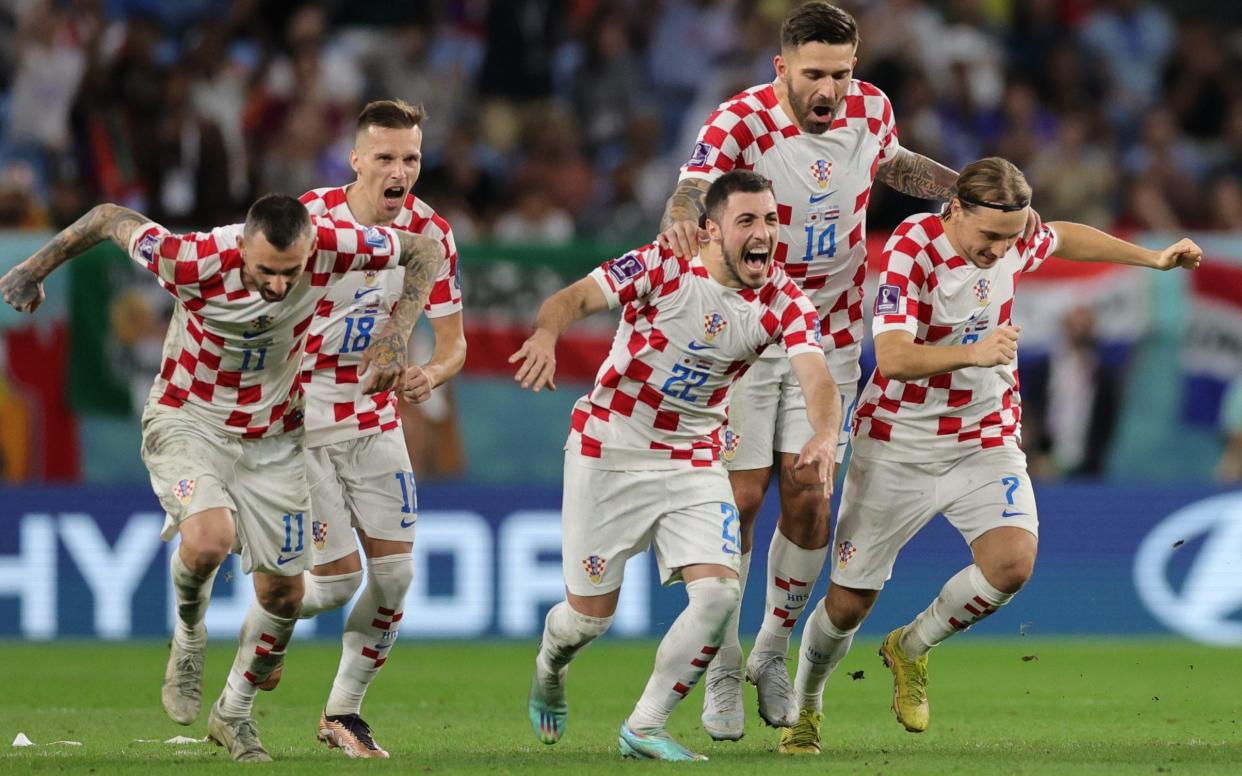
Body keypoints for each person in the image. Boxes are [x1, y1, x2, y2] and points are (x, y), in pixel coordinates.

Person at [0, 194, 444, 762]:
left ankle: (232, 717)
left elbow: (424, 251)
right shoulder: (191, 259)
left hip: (277, 436)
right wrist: (32, 269)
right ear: (243, 250)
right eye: (266, 272)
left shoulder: (333, 248)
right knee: (210, 539)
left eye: (292, 273)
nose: (281, 287)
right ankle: (189, 637)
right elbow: (110, 218)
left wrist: (397, 329)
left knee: (283, 593)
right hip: (189, 421)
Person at [783, 157, 1202, 754]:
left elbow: (1063, 236)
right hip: (897, 443)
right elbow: (895, 356)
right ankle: (807, 707)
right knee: (848, 604)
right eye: (989, 238)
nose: (1000, 250)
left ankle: (911, 646)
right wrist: (975, 353)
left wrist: (1153, 259)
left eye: (1010, 239)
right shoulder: (914, 247)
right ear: (954, 209)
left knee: (1012, 564)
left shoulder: (1011, 237)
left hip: (984, 436)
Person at [658, 1, 966, 739]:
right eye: (814, 75)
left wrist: (965, 189)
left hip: (826, 340)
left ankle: (770, 650)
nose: (829, 89)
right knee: (736, 504)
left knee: (809, 495)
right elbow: (693, 188)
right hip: (742, 340)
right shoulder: (742, 123)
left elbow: (893, 163)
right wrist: (678, 216)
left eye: (841, 72)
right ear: (782, 69)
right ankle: (724, 666)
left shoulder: (870, 108)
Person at [512, 170, 841, 761]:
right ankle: (550, 663)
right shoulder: (661, 266)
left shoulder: (783, 300)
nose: (764, 233)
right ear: (710, 231)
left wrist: (823, 433)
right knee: (587, 620)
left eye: (770, 220)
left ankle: (644, 726)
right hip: (610, 448)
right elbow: (573, 299)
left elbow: (816, 375)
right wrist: (544, 335)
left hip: (692, 456)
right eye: (748, 221)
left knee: (717, 597)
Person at [292, 99, 465, 758]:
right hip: (299, 413)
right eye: (386, 158)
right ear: (356, 160)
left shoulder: (433, 234)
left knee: (394, 578)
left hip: (373, 414)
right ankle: (268, 630)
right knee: (328, 585)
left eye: (411, 159)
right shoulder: (307, 221)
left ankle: (344, 711)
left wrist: (430, 374)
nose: (400, 171)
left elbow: (453, 345)